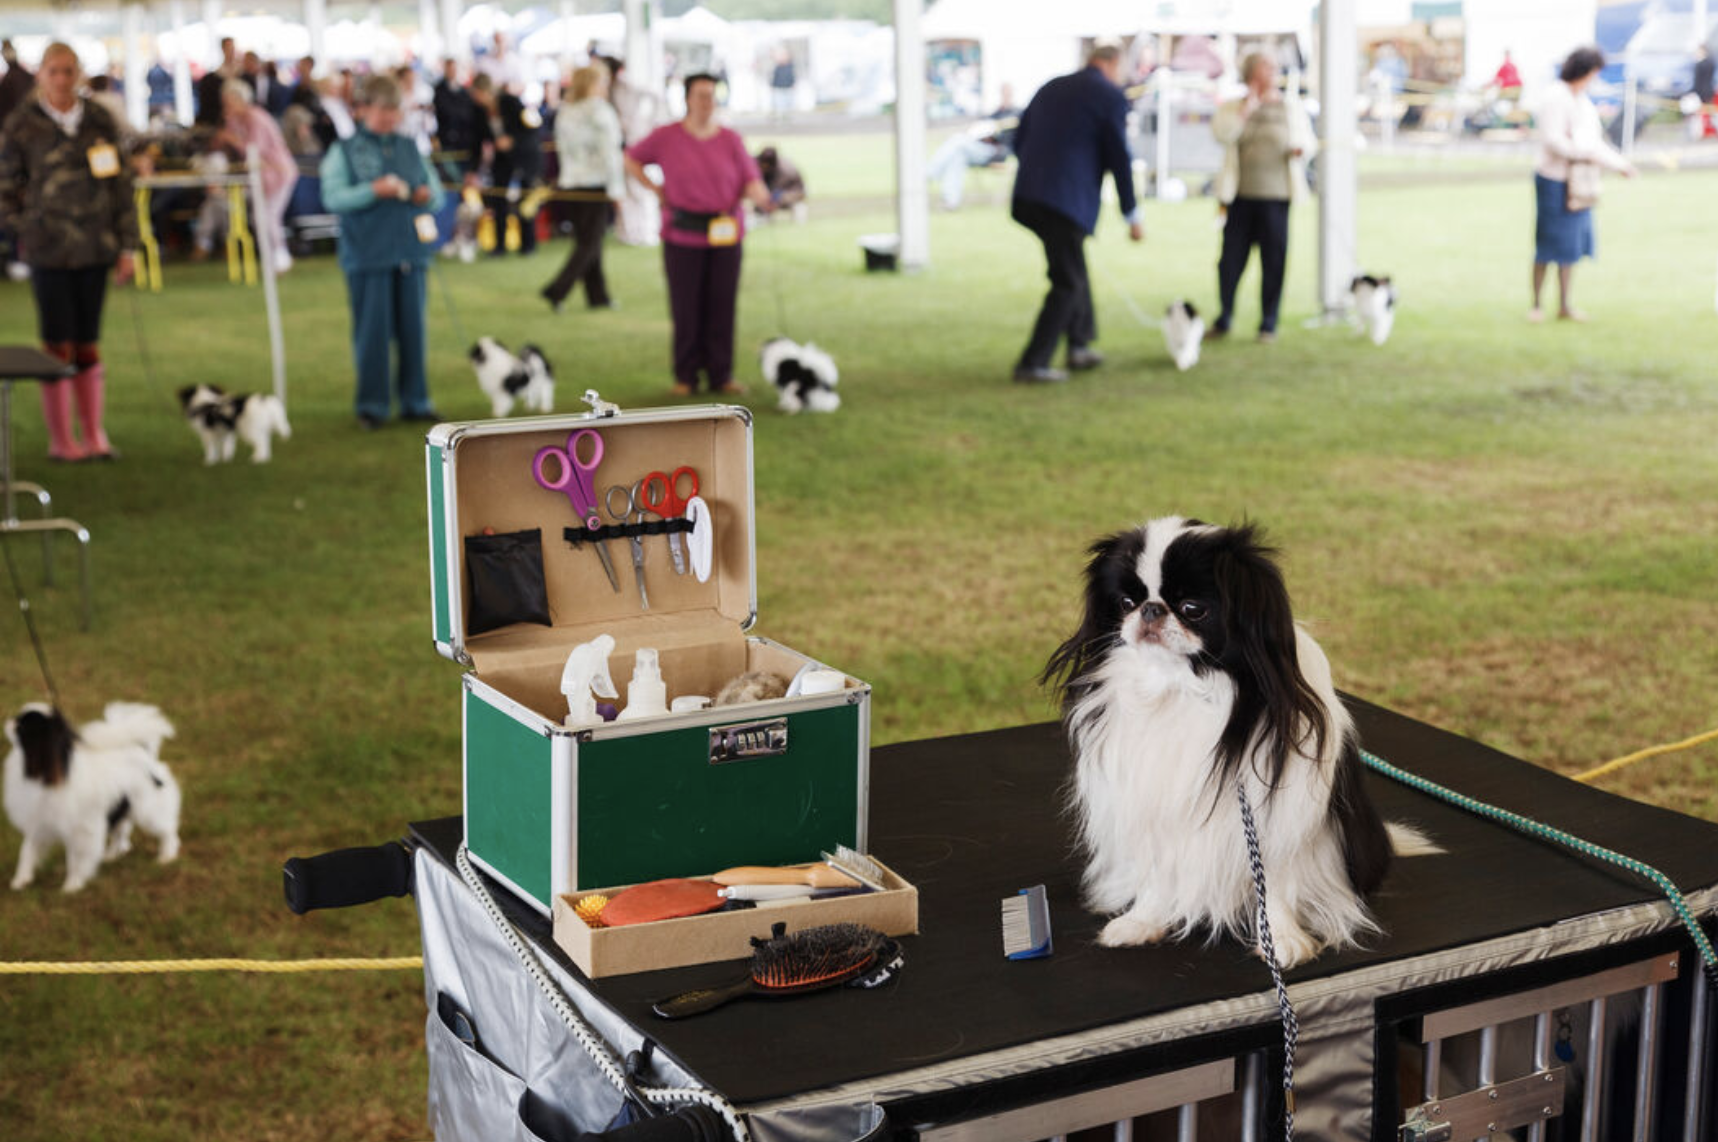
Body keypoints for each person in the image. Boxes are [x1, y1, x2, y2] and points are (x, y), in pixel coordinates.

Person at [0, 41, 136, 461]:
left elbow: (119, 186)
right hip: (49, 252)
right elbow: (6, 189)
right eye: (54, 70)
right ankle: (62, 440)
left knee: (88, 340)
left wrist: (127, 245)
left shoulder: (99, 120)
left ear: (79, 74)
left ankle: (94, 433)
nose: (61, 78)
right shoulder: (22, 124)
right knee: (56, 342)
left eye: (68, 70)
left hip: (96, 246)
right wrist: (29, 228)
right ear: (40, 74)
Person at [624, 72, 773, 396]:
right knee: (686, 308)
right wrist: (655, 189)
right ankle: (686, 376)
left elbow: (750, 178)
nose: (708, 102)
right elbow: (632, 159)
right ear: (688, 99)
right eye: (701, 95)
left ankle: (721, 375)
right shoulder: (666, 136)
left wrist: (764, 197)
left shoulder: (730, 139)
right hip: (683, 236)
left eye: (712, 95)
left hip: (725, 234)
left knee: (723, 305)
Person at [1008, 42, 1143, 384]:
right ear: (1112, 63)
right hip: (1064, 200)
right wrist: (1131, 214)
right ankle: (1033, 363)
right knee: (1067, 281)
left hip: (1029, 195)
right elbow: (1119, 158)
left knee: (1073, 267)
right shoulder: (1109, 95)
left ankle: (1079, 346)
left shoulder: (1052, 85)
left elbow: (1018, 139)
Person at [319, 73, 446, 429]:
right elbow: (332, 197)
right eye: (382, 110)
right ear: (362, 110)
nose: (390, 117)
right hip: (367, 254)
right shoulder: (342, 150)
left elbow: (436, 194)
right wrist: (372, 190)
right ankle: (373, 406)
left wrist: (426, 195)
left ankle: (416, 402)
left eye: (395, 110)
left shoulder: (411, 147)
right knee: (372, 334)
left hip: (411, 253)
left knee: (414, 332)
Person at [1207, 52, 1316, 344]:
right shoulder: (1234, 105)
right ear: (1252, 72)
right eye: (1268, 66)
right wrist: (1246, 110)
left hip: (1277, 197)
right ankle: (1225, 316)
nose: (1274, 70)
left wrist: (1299, 150)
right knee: (1230, 260)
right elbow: (1223, 135)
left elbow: (1307, 141)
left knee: (1274, 261)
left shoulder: (1290, 107)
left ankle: (1268, 322)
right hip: (1240, 196)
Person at [1531, 46, 1635, 324]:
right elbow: (1554, 140)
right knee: (1548, 244)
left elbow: (1594, 143)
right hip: (1554, 180)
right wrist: (1581, 151)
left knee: (1571, 247)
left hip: (1579, 182)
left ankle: (1565, 304)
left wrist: (1620, 165)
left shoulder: (1583, 102)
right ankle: (1537, 305)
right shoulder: (1556, 96)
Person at [541, 64, 623, 313]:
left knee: (589, 242)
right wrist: (617, 189)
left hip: (571, 184)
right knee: (590, 244)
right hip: (595, 184)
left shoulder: (566, 111)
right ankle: (557, 289)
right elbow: (610, 152)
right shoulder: (599, 110)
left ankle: (598, 296)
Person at [215, 79, 299, 273]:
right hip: (264, 176)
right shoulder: (239, 119)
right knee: (261, 217)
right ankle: (273, 259)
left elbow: (253, 149)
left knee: (268, 217)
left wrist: (231, 138)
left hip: (278, 173)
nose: (226, 106)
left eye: (229, 101)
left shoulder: (256, 118)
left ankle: (280, 257)